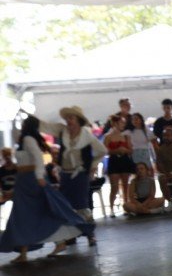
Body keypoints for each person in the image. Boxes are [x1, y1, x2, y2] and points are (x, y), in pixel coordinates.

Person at [1, 116, 93, 263]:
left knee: (29, 214)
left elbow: (38, 158)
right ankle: (33, 250)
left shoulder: (28, 140)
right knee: (30, 215)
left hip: (31, 180)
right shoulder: (25, 139)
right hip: (25, 181)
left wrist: (39, 177)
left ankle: (34, 250)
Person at [37, 106, 106, 246]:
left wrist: (92, 166)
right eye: (67, 118)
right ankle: (71, 235)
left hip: (80, 174)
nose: (68, 120)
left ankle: (90, 235)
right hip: (65, 174)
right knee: (66, 205)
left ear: (78, 119)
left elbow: (102, 150)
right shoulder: (62, 131)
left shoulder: (87, 135)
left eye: (71, 118)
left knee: (82, 205)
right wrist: (30, 118)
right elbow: (45, 126)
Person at [103, 115, 135, 217]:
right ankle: (111, 208)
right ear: (115, 123)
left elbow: (131, 150)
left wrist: (125, 150)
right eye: (122, 123)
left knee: (125, 185)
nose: (123, 125)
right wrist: (116, 150)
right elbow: (105, 151)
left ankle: (126, 206)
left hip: (124, 160)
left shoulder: (126, 136)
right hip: (114, 161)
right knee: (114, 186)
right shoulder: (108, 136)